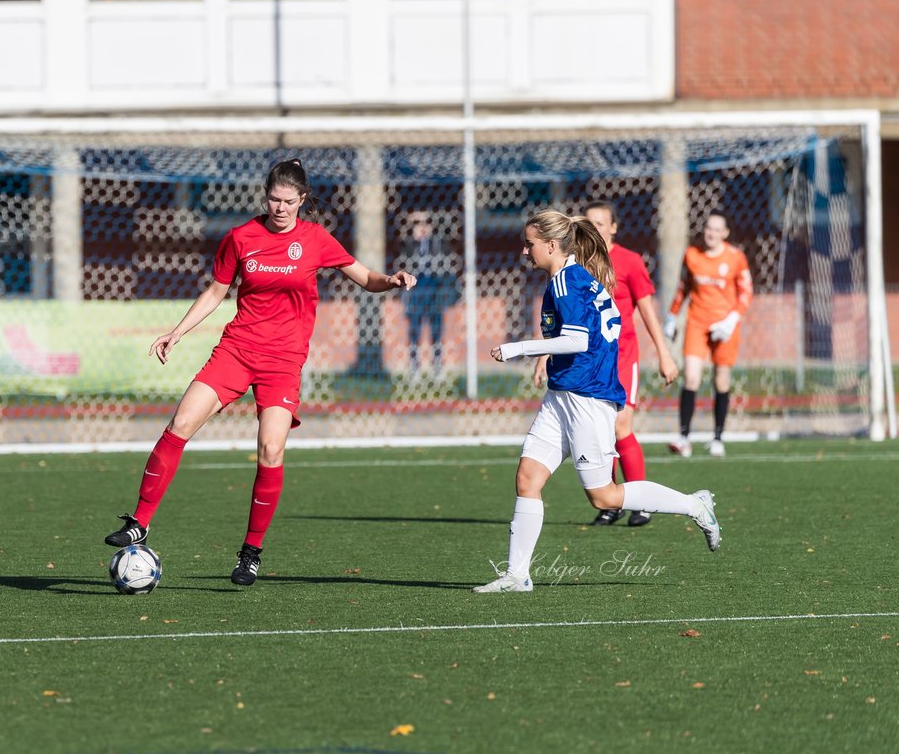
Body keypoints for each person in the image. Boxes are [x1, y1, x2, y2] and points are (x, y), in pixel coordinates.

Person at [102, 159, 416, 586]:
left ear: (303, 200)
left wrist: (392, 280)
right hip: (236, 350)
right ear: (265, 196)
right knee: (181, 421)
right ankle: (140, 520)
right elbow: (216, 291)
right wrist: (177, 332)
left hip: (283, 362)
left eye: (289, 201)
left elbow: (365, 277)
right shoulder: (241, 238)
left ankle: (250, 553)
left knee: (271, 449)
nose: (281, 207)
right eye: (274, 199)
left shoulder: (315, 239)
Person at [476, 210, 720, 593]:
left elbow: (578, 341)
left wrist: (519, 348)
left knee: (604, 496)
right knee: (528, 478)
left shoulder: (567, 283)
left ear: (552, 245)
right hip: (564, 393)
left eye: (530, 244)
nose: (525, 251)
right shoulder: (572, 277)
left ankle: (695, 505)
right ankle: (517, 575)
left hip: (587, 398)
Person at [535, 201, 679, 527]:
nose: (596, 228)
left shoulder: (628, 261)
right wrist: (544, 355)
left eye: (602, 223)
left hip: (622, 355)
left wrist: (664, 352)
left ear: (613, 227)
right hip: (588, 362)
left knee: (620, 427)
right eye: (591, 222)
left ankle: (641, 503)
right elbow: (559, 319)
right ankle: (610, 503)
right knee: (601, 430)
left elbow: (645, 309)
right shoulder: (574, 266)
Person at [662, 210, 752, 458]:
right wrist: (671, 317)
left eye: (716, 229)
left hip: (725, 327)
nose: (711, 233)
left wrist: (731, 320)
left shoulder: (736, 258)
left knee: (721, 381)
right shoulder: (692, 255)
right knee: (691, 378)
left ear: (725, 233)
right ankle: (683, 438)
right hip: (697, 324)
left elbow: (746, 292)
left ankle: (718, 438)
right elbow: (683, 288)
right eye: (708, 228)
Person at [400, 210, 456, 376]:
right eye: (418, 223)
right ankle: (414, 366)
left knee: (436, 328)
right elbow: (401, 254)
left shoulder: (438, 244)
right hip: (416, 289)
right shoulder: (409, 245)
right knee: (414, 328)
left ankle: (437, 366)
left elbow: (448, 261)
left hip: (434, 288)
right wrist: (411, 230)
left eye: (427, 222)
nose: (423, 227)